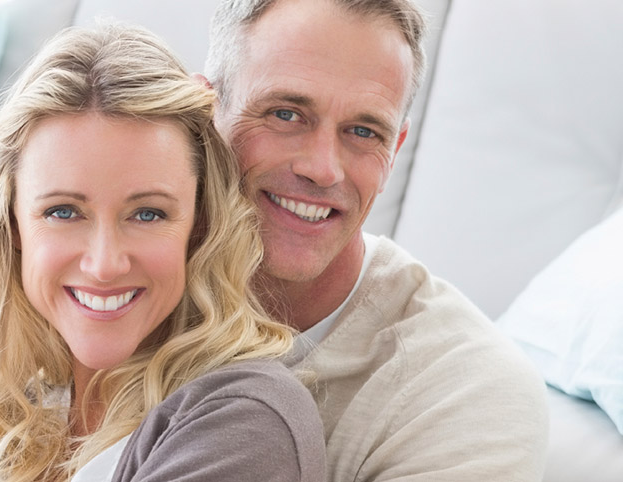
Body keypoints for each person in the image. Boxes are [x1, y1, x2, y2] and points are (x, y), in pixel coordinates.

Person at [0, 23, 325, 482]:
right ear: (12, 225)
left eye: (147, 214)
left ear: (199, 226)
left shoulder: (244, 421)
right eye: (64, 212)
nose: (105, 264)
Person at [199, 0, 549, 480]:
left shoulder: (464, 392)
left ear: (394, 151)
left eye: (363, 131)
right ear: (205, 111)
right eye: (286, 114)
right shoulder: (109, 275)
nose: (323, 168)